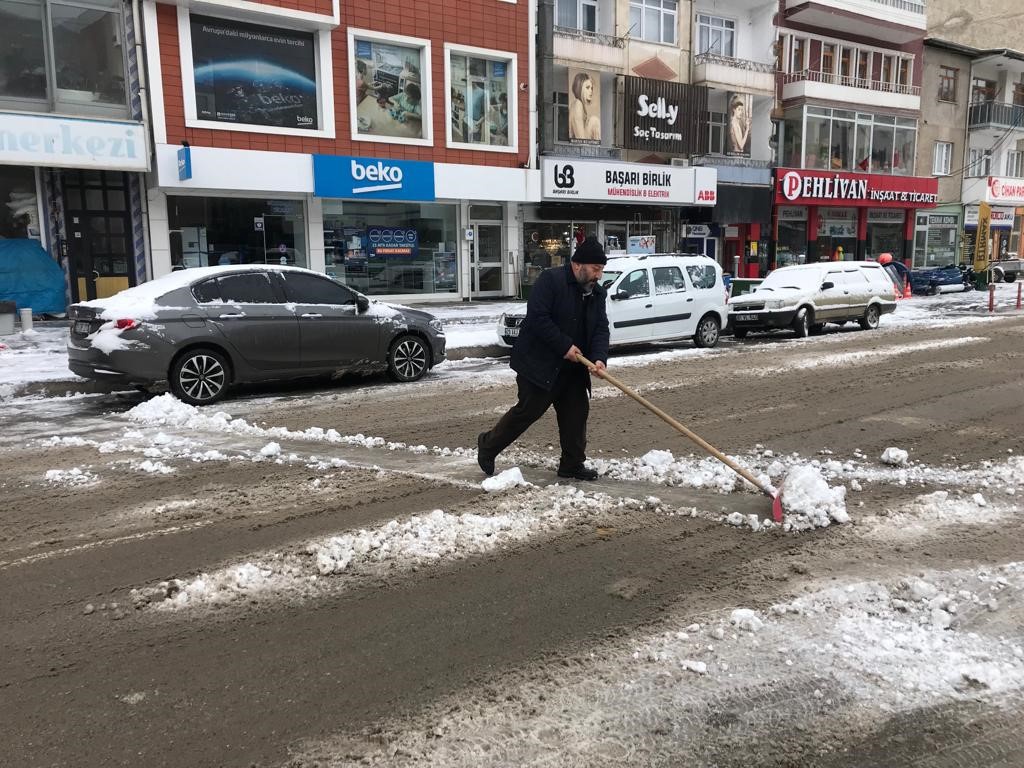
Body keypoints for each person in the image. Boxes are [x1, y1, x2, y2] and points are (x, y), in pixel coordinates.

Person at [477, 236, 610, 481]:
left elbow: (601, 328)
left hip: (574, 369)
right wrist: (564, 347)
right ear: (578, 265)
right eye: (595, 269)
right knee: (528, 411)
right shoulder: (551, 281)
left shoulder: (597, 294)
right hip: (540, 364)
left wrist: (599, 358)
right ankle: (488, 445)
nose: (598, 275)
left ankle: (572, 464)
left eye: (601, 270)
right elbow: (538, 318)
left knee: (576, 415)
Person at [569, 72, 601, 142]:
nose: (591, 91)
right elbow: (580, 138)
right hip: (581, 148)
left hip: (579, 147)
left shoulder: (576, 104)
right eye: (587, 87)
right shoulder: (578, 104)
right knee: (594, 120)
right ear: (579, 88)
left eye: (592, 88)